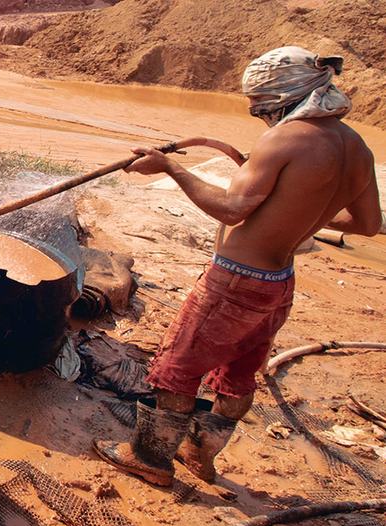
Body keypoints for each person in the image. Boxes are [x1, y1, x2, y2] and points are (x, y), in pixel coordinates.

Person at [94, 46, 381, 487]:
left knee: (176, 367)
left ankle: (149, 458)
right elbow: (367, 224)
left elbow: (231, 208)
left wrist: (170, 167)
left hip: (234, 282)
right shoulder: (357, 147)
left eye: (260, 106)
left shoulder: (286, 138)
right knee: (239, 373)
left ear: (282, 98)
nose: (260, 116)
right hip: (278, 284)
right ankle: (200, 451)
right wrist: (301, 210)